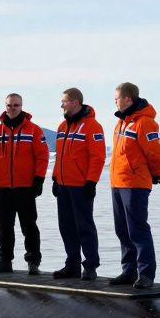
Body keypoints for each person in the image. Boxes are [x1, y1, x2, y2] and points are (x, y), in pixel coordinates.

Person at [109, 82, 160, 289]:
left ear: (128, 99)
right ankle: (128, 270)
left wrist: (156, 174)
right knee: (122, 229)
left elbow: (154, 152)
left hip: (134, 183)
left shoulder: (144, 123)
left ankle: (146, 273)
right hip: (118, 182)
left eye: (117, 98)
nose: (114, 101)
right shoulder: (122, 122)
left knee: (137, 229)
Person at [0, 93, 48, 274]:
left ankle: (33, 262)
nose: (12, 109)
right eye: (9, 105)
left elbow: (42, 157)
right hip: (4, 187)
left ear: (22, 107)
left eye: (16, 105)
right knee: (4, 227)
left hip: (25, 187)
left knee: (29, 226)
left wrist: (39, 179)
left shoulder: (34, 130)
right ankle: (5, 260)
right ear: (5, 107)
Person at [50, 87, 106, 280]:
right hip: (64, 185)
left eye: (64, 101)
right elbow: (60, 157)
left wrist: (91, 182)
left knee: (84, 226)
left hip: (81, 186)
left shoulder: (92, 127)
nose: (61, 105)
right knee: (66, 226)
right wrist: (55, 178)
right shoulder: (62, 127)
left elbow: (98, 157)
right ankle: (72, 264)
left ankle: (90, 266)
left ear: (75, 102)